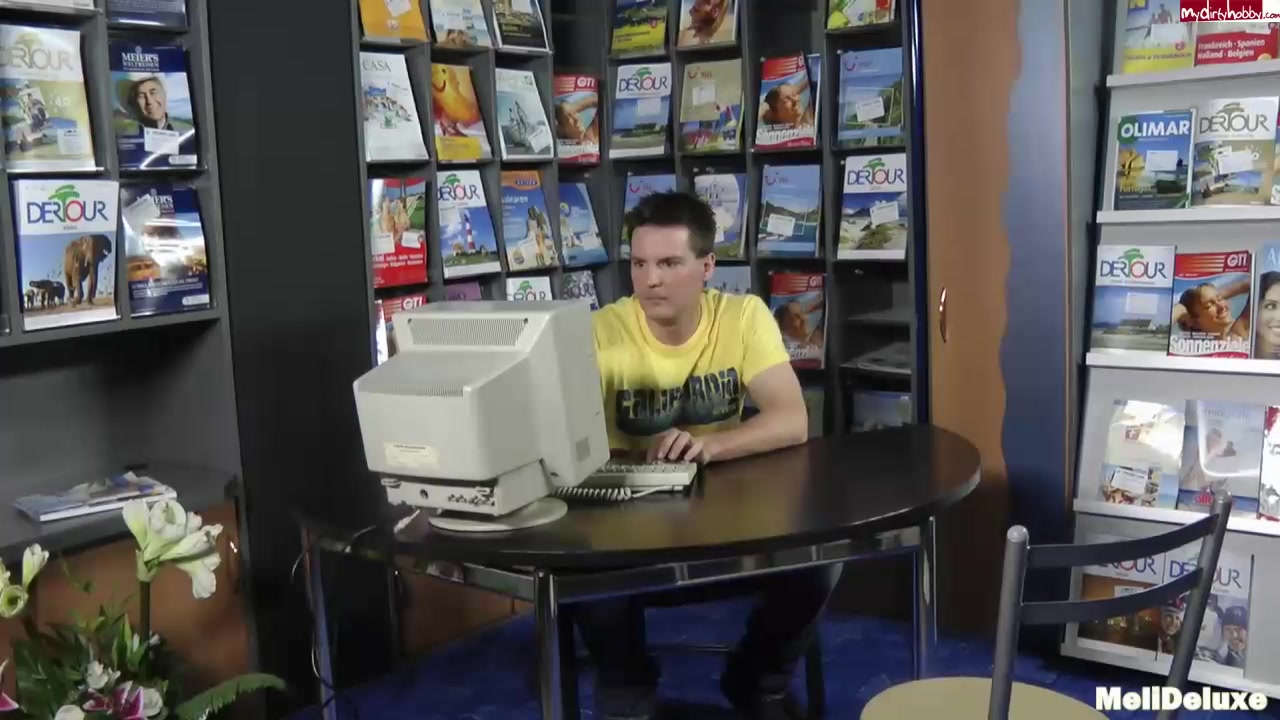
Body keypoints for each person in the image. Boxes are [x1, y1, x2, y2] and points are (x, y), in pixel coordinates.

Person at [581, 190, 838, 720]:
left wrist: (709, 445)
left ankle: (758, 682)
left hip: (728, 515)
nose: (651, 280)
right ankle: (627, 695)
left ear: (707, 267)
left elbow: (792, 420)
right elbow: (566, 444)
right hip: (628, 523)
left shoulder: (743, 316)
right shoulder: (600, 331)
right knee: (585, 571)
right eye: (639, 264)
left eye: (669, 263)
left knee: (822, 559)